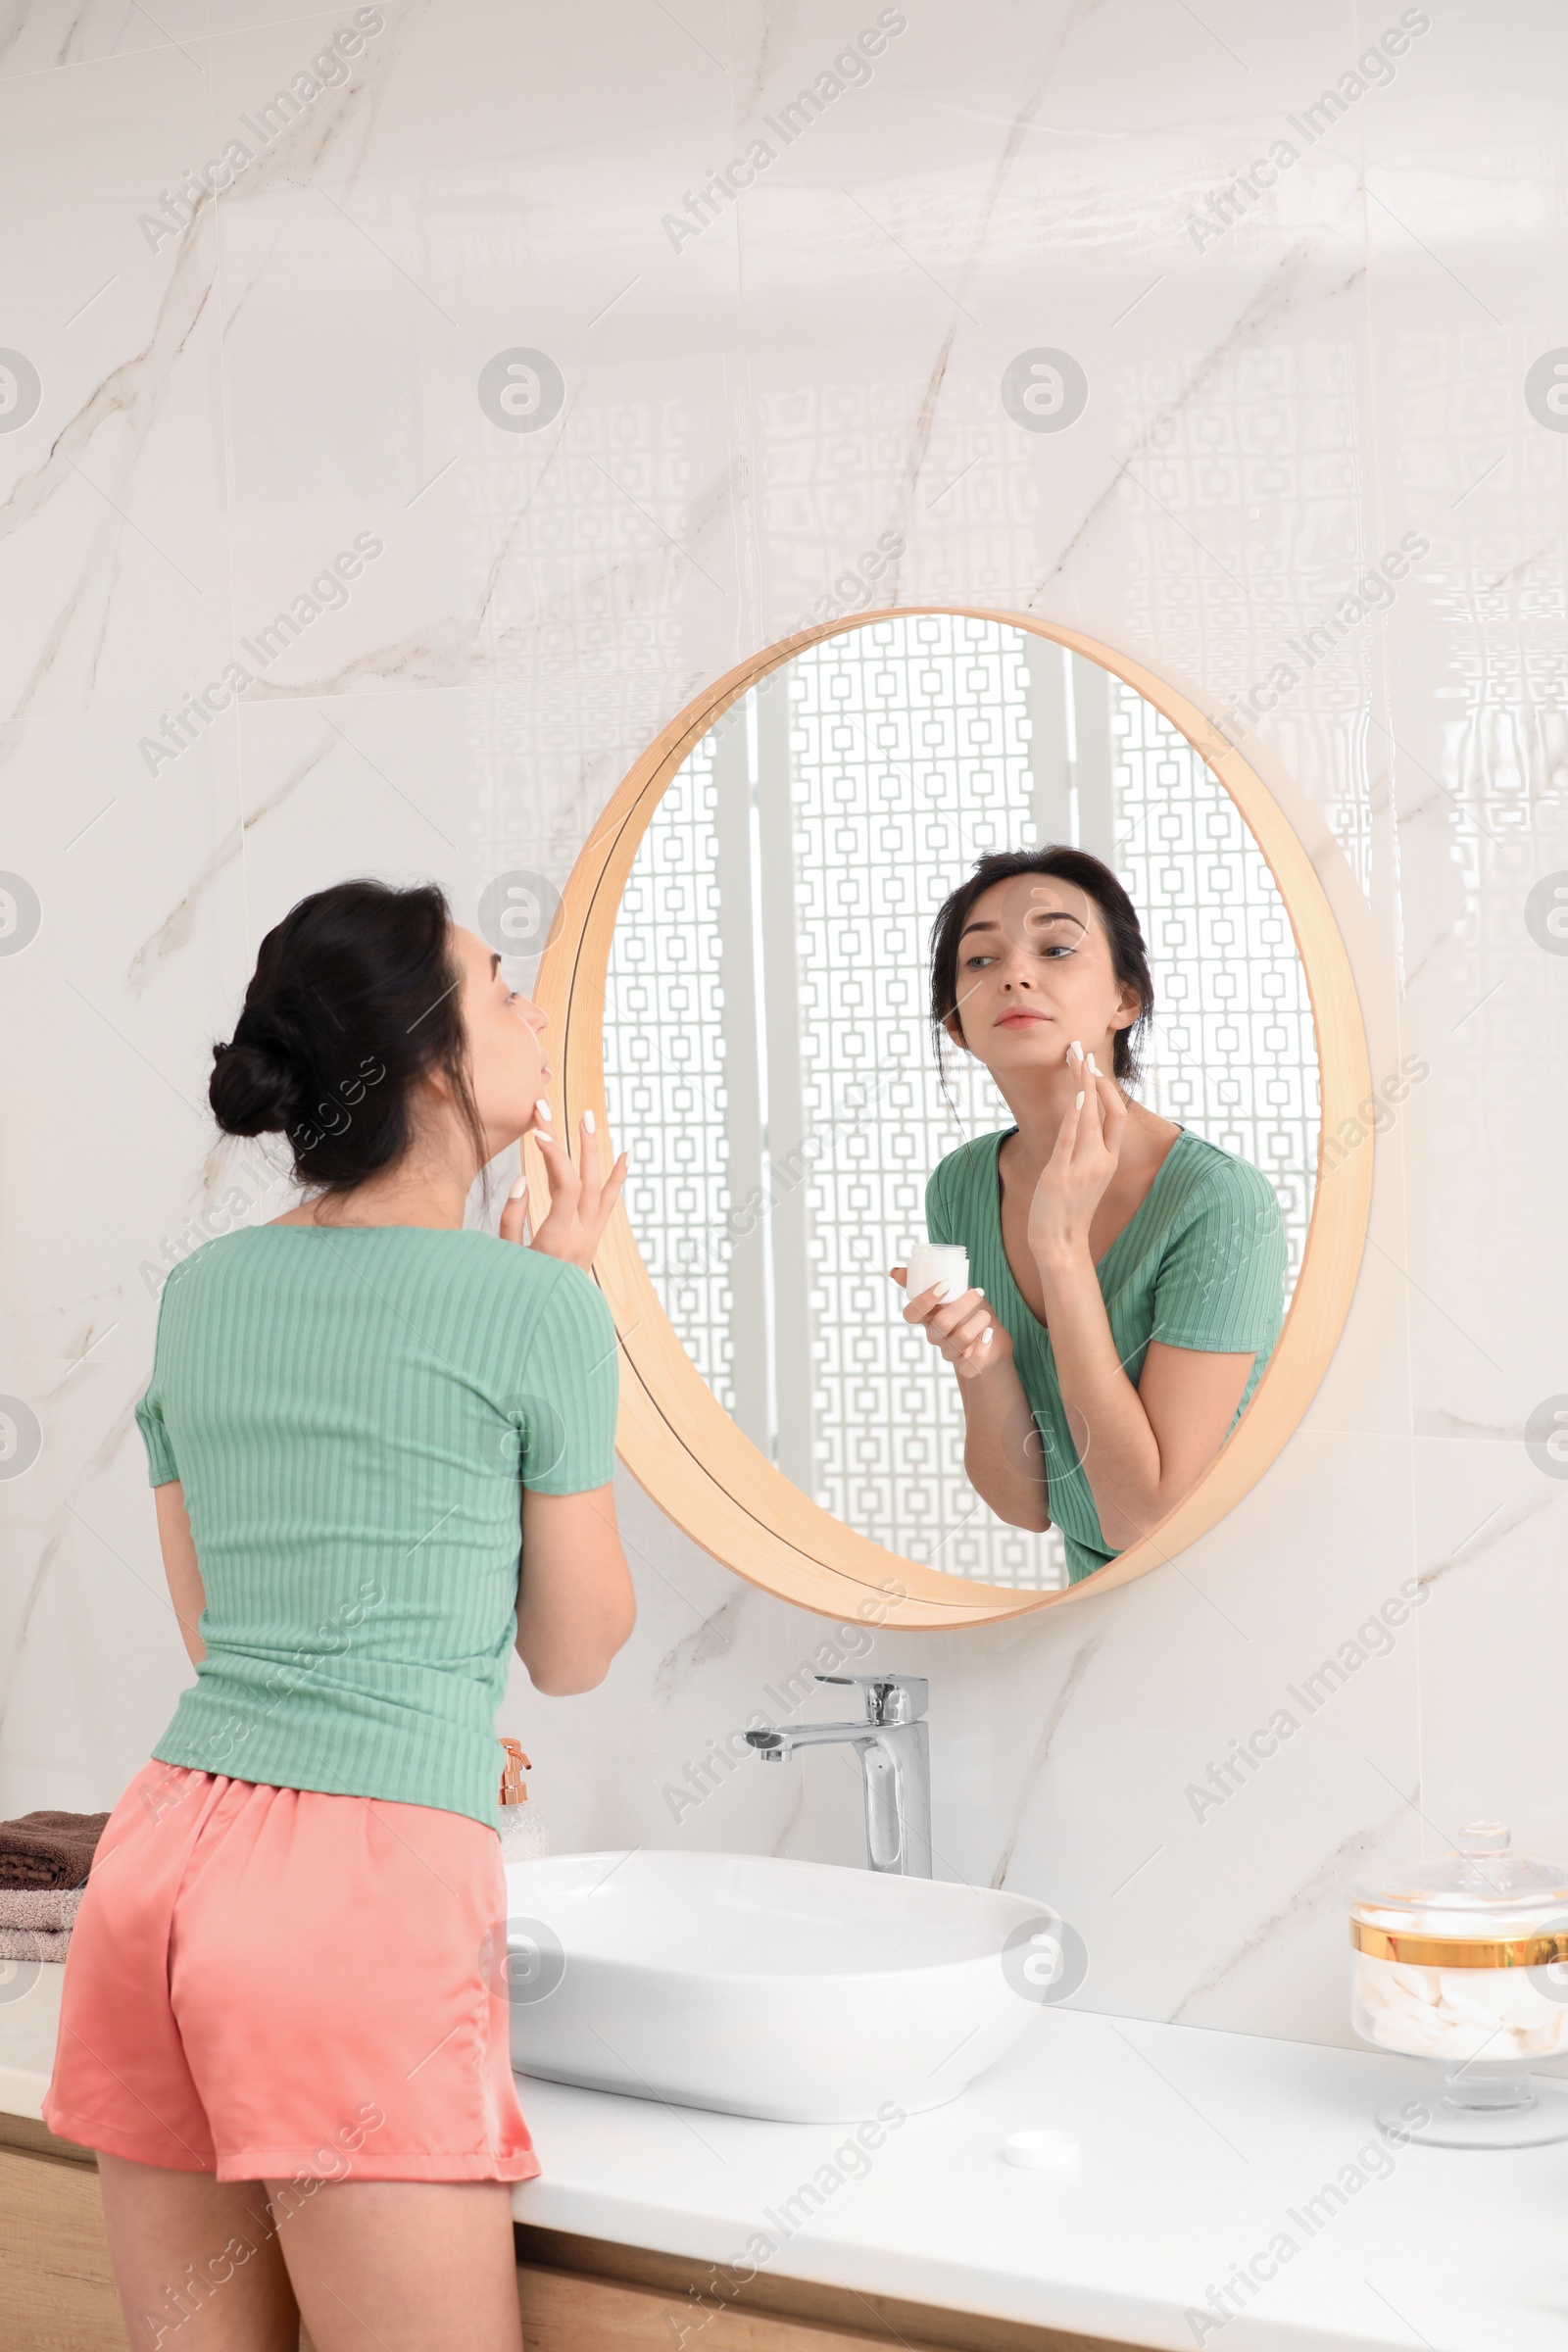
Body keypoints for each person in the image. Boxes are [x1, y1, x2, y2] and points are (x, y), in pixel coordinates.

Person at [44, 878, 635, 2352]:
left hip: (159, 1871)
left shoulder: (206, 1292)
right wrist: (557, 1316)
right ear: (432, 1058)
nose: (528, 1013)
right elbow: (576, 1652)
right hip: (354, 1918)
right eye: (499, 986)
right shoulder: (537, 1309)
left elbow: (223, 1630)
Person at [894, 848, 1286, 1585]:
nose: (1014, 973)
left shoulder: (1218, 1202)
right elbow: (1025, 1504)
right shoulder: (961, 1185)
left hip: (1232, 1600)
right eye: (979, 961)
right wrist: (984, 1363)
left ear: (1125, 1000)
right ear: (955, 1025)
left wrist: (1062, 1252)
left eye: (1056, 947)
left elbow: (1144, 1522)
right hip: (1094, 1605)